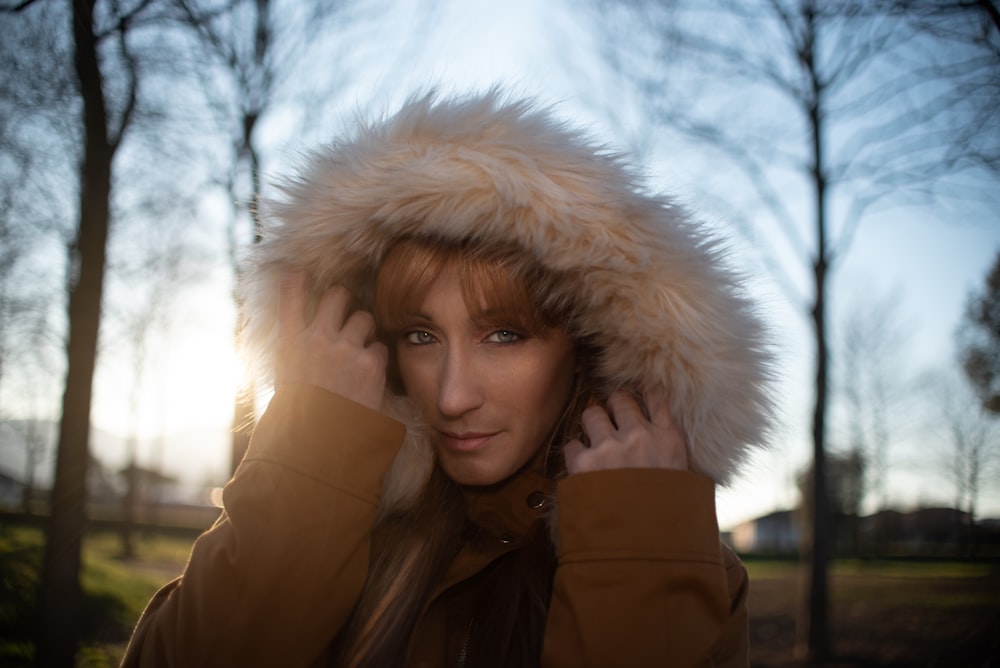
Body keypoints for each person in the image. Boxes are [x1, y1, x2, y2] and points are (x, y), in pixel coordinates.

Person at [121, 90, 774, 668]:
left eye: (504, 335)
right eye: (420, 336)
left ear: (588, 346)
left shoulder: (680, 559)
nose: (454, 396)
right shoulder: (329, 516)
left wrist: (636, 549)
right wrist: (310, 449)